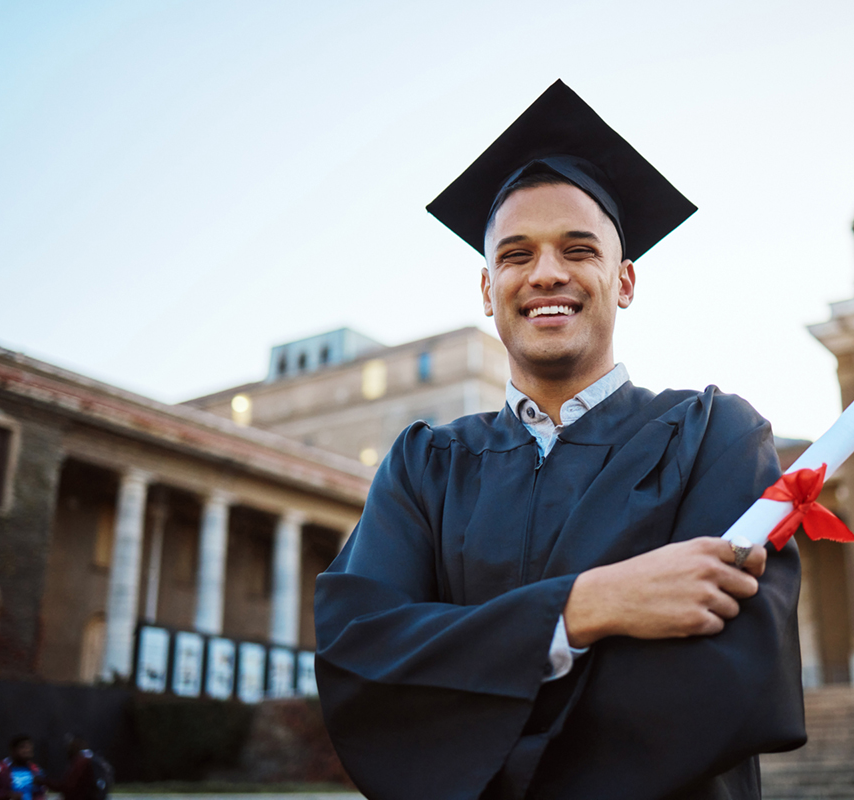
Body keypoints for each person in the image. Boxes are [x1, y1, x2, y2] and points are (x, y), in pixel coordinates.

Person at [315, 80, 805, 800]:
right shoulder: (425, 467)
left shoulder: (716, 436)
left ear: (624, 279)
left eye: (578, 249)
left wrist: (477, 692)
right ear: (488, 290)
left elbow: (727, 677)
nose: (546, 272)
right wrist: (586, 607)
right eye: (515, 255)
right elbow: (363, 654)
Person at [0, 735, 44, 800]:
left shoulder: (35, 770)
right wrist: (8, 795)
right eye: (23, 747)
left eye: (29, 747)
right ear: (13, 750)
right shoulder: (0, 768)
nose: (27, 750)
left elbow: (41, 793)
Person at [39, 736, 98, 800]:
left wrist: (44, 782)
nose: (67, 748)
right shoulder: (83, 761)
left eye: (70, 745)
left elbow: (67, 786)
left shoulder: (80, 764)